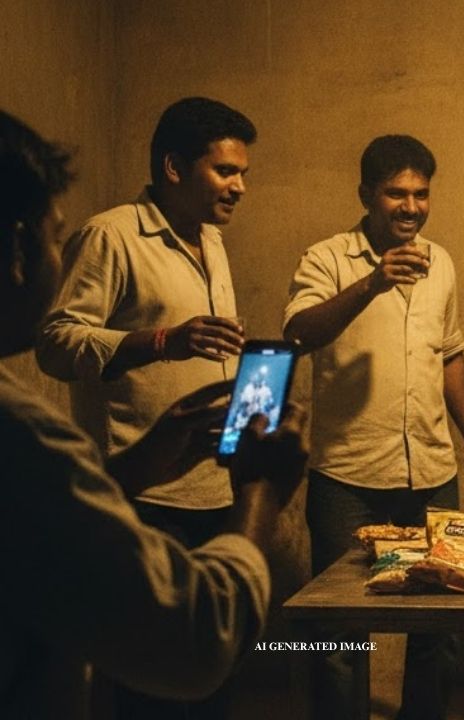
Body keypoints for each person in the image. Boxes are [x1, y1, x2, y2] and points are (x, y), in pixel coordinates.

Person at [0, 109, 308, 720]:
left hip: (206, 478)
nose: (240, 186)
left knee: (217, 692)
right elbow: (58, 341)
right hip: (143, 497)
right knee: (158, 692)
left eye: (243, 173)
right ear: (173, 167)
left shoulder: (211, 239)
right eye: (225, 170)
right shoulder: (111, 236)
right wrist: (164, 341)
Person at [283, 134, 464, 720]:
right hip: (347, 477)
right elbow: (299, 332)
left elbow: (450, 353)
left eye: (421, 194)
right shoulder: (327, 258)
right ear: (366, 195)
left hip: (431, 472)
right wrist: (372, 282)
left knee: (439, 623)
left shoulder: (440, 261)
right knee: (338, 633)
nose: (411, 207)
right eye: (396, 194)